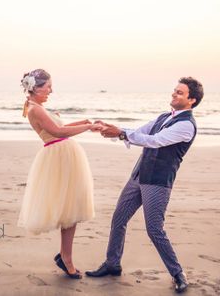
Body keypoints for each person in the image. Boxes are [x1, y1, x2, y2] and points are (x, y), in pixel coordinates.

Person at [86, 77, 204, 293]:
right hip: (138, 176)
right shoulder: (163, 117)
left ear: (192, 100)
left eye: (180, 93)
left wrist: (120, 133)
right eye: (174, 90)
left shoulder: (186, 125)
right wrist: (110, 128)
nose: (174, 94)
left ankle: (178, 273)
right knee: (118, 219)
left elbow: (155, 140)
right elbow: (140, 132)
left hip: (158, 183)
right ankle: (112, 264)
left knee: (154, 230)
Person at [17, 69, 102, 279]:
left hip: (64, 156)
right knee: (68, 209)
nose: (51, 90)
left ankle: (65, 256)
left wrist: (84, 123)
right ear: (35, 88)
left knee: (71, 209)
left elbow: (60, 126)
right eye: (48, 87)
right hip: (59, 158)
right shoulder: (35, 109)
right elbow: (57, 133)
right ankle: (66, 258)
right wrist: (88, 127)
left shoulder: (38, 106)